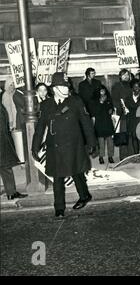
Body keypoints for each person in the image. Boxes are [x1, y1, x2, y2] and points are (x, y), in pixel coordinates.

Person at [32, 72, 97, 218]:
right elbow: (40, 128)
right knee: (58, 177)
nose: (67, 89)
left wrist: (92, 143)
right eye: (63, 86)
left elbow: (86, 124)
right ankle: (59, 208)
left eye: (67, 86)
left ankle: (84, 195)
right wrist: (35, 147)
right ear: (54, 88)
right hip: (54, 145)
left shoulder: (76, 101)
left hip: (74, 144)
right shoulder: (46, 105)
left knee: (76, 172)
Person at [0, 89, 27, 200]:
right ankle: (11, 193)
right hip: (2, 140)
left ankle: (11, 192)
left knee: (5, 167)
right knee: (6, 167)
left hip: (3, 140)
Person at [111, 69, 133, 161]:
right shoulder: (116, 86)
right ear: (120, 76)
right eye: (124, 75)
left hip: (131, 114)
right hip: (122, 115)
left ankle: (132, 155)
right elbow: (115, 100)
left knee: (131, 135)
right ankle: (124, 156)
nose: (126, 76)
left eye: (127, 75)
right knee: (123, 135)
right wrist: (120, 110)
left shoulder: (131, 85)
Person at [89, 86, 115, 165]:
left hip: (108, 122)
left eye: (104, 91)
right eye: (101, 91)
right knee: (101, 142)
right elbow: (94, 111)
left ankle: (110, 156)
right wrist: (100, 102)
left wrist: (111, 110)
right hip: (99, 123)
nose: (103, 93)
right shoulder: (94, 101)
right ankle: (101, 157)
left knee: (110, 141)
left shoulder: (108, 99)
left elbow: (111, 108)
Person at [125, 81, 140, 155]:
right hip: (132, 120)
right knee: (134, 137)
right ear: (132, 88)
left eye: (138, 86)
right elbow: (130, 107)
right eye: (135, 86)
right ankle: (136, 155)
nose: (137, 88)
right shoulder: (128, 98)